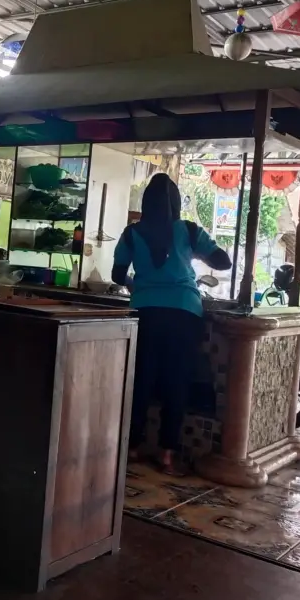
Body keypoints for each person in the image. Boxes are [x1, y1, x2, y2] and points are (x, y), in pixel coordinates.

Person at [112, 173, 232, 476]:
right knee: (176, 383)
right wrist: (195, 252)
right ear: (177, 203)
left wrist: (135, 285)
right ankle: (167, 454)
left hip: (145, 312)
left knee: (140, 381)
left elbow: (116, 274)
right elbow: (223, 262)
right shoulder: (189, 230)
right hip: (184, 314)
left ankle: (133, 448)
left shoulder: (132, 233)